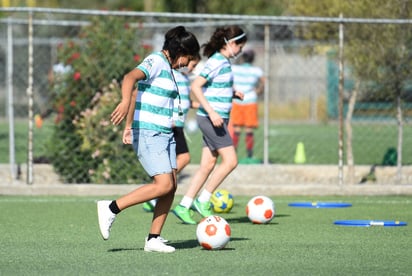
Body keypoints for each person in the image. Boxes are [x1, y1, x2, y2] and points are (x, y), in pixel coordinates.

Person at [96, 26, 200, 253]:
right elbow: (130, 78)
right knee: (163, 184)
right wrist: (124, 105)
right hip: (149, 132)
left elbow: (139, 94)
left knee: (170, 188)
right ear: (179, 50)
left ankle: (153, 238)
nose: (187, 63)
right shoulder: (155, 60)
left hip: (165, 133)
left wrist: (127, 125)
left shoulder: (171, 69)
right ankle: (111, 208)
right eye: (188, 58)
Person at [172, 25, 247, 224]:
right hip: (212, 119)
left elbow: (214, 88)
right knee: (231, 161)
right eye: (240, 46)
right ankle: (203, 200)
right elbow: (197, 86)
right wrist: (212, 112)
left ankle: (183, 205)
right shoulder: (217, 61)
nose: (240, 51)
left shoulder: (222, 62)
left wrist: (232, 93)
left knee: (207, 165)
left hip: (214, 118)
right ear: (231, 44)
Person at [142, 54, 201, 212]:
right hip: (173, 123)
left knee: (177, 160)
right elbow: (167, 97)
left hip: (178, 123)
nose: (192, 68)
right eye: (191, 64)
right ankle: (157, 189)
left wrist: (206, 106)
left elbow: (187, 102)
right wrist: (170, 117)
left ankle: (157, 192)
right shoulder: (173, 75)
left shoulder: (185, 79)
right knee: (184, 158)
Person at [230, 49, 265, 160]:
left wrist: (233, 89)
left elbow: (228, 80)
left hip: (237, 101)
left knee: (236, 128)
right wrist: (259, 90)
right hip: (250, 100)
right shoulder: (256, 71)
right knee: (249, 129)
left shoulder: (234, 69)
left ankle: (233, 153)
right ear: (253, 59)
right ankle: (249, 155)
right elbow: (264, 81)